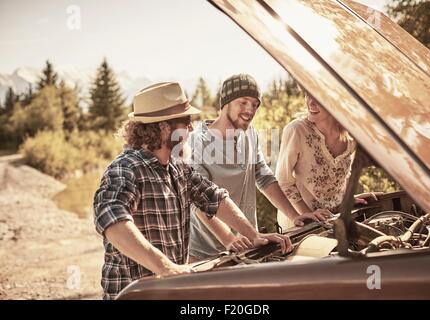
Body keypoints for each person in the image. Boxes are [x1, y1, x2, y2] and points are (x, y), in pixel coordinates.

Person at [93, 82, 292, 300]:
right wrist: (166, 268)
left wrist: (253, 236)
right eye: (186, 121)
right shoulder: (126, 168)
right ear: (164, 127)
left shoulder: (177, 168)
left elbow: (214, 197)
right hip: (133, 294)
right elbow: (111, 220)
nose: (190, 128)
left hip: (168, 291)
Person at [188, 74, 327, 262]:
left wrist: (295, 216)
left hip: (248, 246)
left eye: (255, 104)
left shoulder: (249, 134)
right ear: (226, 103)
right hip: (206, 253)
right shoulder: (197, 142)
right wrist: (229, 239)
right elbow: (198, 201)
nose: (250, 110)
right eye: (243, 102)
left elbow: (263, 177)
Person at [276, 91, 378, 230]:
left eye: (318, 96)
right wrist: (309, 215)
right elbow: (283, 181)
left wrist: (347, 198)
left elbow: (341, 174)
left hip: (334, 218)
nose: (310, 102)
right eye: (307, 94)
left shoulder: (352, 135)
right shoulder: (297, 130)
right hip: (300, 223)